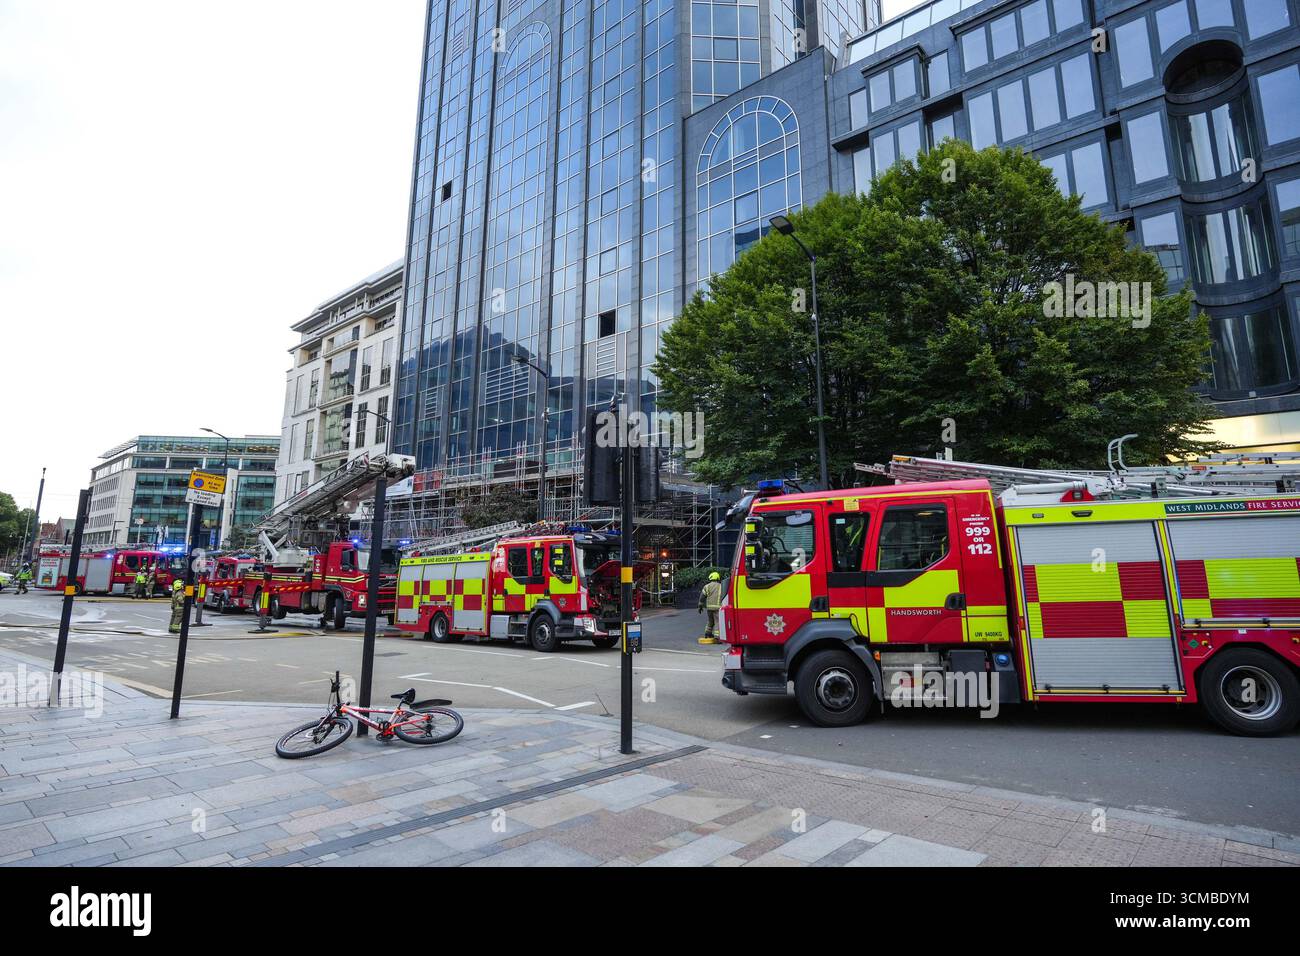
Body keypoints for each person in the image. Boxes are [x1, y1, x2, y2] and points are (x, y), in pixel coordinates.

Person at [697, 570, 723, 644]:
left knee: (710, 621)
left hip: (709, 608)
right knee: (717, 622)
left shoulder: (707, 586)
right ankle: (717, 637)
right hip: (717, 608)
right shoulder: (721, 586)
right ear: (718, 578)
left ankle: (707, 633)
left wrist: (700, 606)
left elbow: (702, 597)